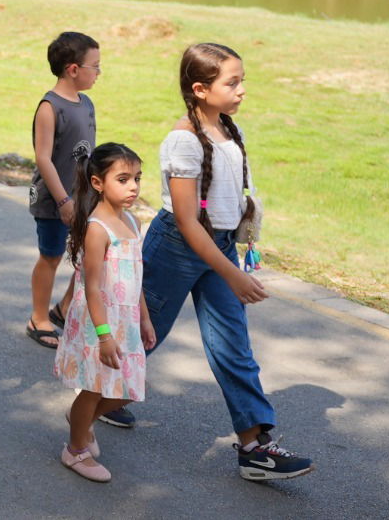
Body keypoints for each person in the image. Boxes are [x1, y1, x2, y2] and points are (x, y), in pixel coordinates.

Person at [141, 43, 314, 482]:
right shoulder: (182, 141)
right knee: (141, 336)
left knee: (234, 347)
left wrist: (236, 246)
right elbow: (186, 219)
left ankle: (255, 448)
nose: (242, 90)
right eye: (232, 83)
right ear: (200, 89)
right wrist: (231, 272)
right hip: (177, 246)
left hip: (217, 245)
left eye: (242, 81)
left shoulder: (230, 129)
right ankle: (91, 406)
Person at [53, 143, 154, 483]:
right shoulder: (98, 229)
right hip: (99, 323)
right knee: (95, 387)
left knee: (127, 388)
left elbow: (136, 276)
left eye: (137, 178)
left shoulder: (132, 221)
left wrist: (144, 318)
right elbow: (92, 288)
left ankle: (81, 420)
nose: (133, 187)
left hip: (125, 321)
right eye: (123, 179)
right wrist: (104, 335)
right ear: (97, 183)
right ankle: (75, 449)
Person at [24, 33, 99, 351]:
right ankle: (38, 318)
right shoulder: (50, 107)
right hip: (54, 198)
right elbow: (43, 158)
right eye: (95, 66)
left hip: (83, 197)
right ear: (73, 69)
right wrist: (63, 200)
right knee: (52, 256)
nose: (98, 72)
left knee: (92, 254)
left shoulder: (87, 103)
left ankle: (64, 308)